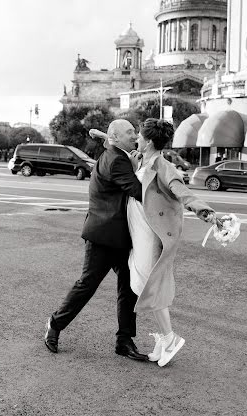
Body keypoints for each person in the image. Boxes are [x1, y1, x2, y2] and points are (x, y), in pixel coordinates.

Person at [90, 119, 221, 367]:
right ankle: (164, 338)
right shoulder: (140, 159)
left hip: (150, 236)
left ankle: (170, 338)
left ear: (148, 141)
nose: (135, 138)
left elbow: (182, 191)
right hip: (137, 235)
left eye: (138, 135)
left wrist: (206, 212)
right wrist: (99, 134)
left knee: (147, 286)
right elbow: (118, 144)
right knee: (141, 284)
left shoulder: (162, 165)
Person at [44, 119, 148, 361]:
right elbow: (139, 192)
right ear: (116, 138)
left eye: (135, 131)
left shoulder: (113, 152)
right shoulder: (118, 160)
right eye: (130, 132)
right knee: (87, 285)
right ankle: (54, 323)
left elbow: (107, 139)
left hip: (119, 235)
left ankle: (124, 340)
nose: (135, 135)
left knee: (129, 288)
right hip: (103, 235)